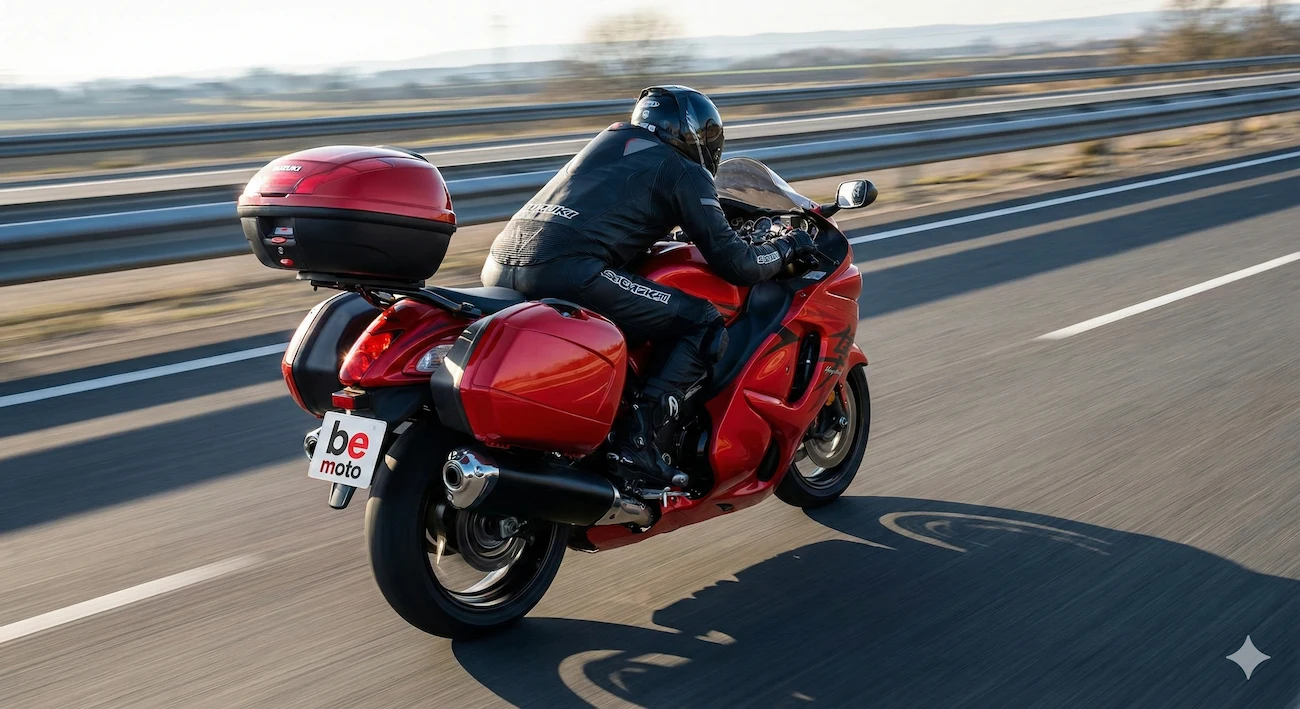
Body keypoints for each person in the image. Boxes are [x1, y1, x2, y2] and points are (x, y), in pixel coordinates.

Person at [481, 85, 816, 488]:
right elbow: (738, 263)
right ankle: (636, 446)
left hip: (498, 266)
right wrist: (787, 245)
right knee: (701, 321)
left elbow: (608, 213)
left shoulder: (610, 143)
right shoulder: (682, 167)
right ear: (694, 133)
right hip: (567, 270)